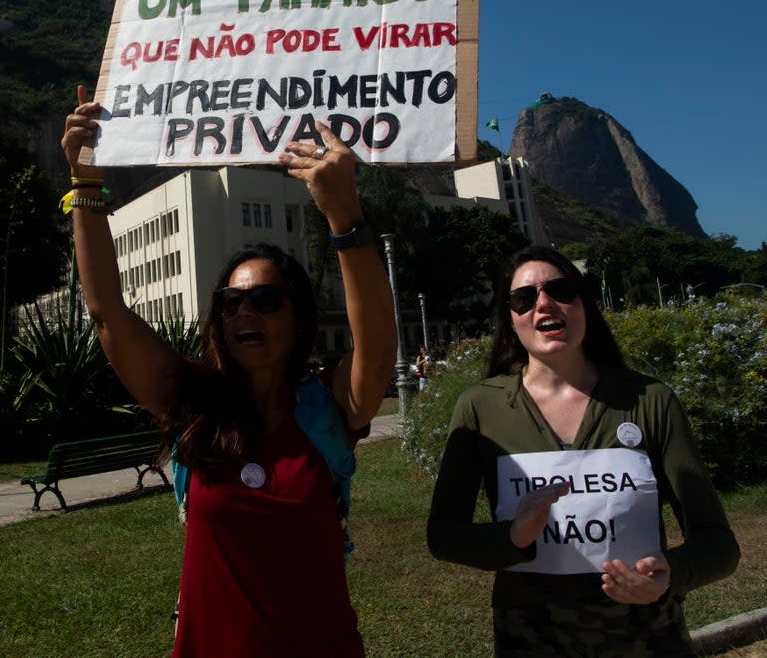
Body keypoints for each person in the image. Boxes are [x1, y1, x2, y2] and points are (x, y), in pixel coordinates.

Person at [62, 86, 398, 657]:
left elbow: (378, 348)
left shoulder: (329, 406)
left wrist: (344, 212)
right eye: (231, 301)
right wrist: (85, 184)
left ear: (296, 318)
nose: (244, 310)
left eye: (265, 300)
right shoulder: (192, 402)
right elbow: (108, 316)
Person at [427, 245, 739, 657]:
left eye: (560, 289)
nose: (544, 303)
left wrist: (670, 574)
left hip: (648, 641)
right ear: (510, 318)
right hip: (530, 643)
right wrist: (513, 536)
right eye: (524, 298)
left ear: (584, 304)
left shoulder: (651, 401)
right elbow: (443, 535)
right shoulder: (479, 407)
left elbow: (719, 544)